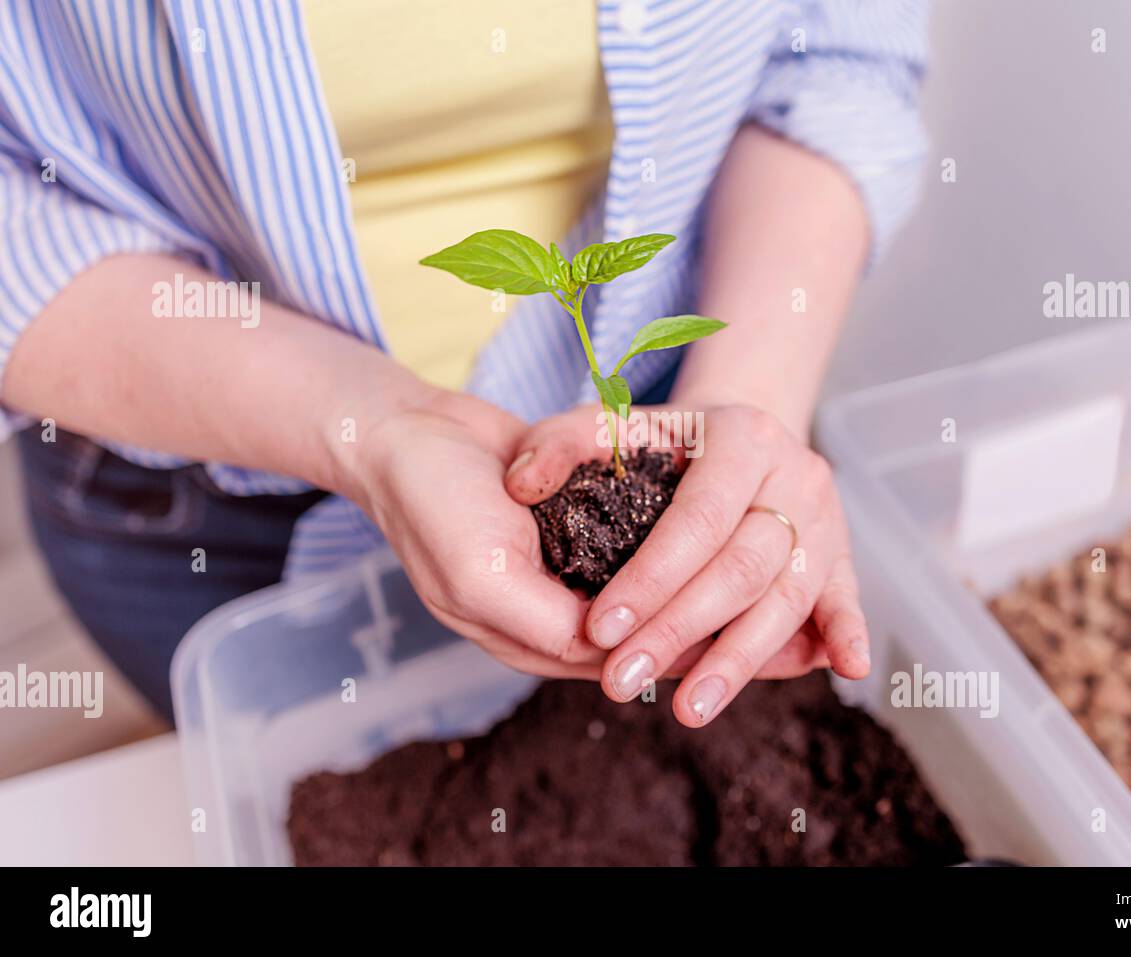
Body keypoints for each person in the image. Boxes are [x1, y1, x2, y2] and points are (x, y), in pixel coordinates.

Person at [0, 0, 928, 725]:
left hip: (671, 406)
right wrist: (374, 424)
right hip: (194, 471)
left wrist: (742, 395)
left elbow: (839, 53)